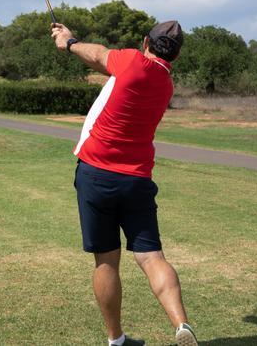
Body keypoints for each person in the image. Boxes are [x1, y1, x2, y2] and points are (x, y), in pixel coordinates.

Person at [51, 20, 198, 346]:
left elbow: (98, 55)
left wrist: (69, 41)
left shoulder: (133, 61)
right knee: (152, 257)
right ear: (175, 55)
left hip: (96, 174)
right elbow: (103, 61)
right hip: (137, 179)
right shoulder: (165, 83)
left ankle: (115, 340)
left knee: (106, 259)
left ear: (146, 41)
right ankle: (181, 324)